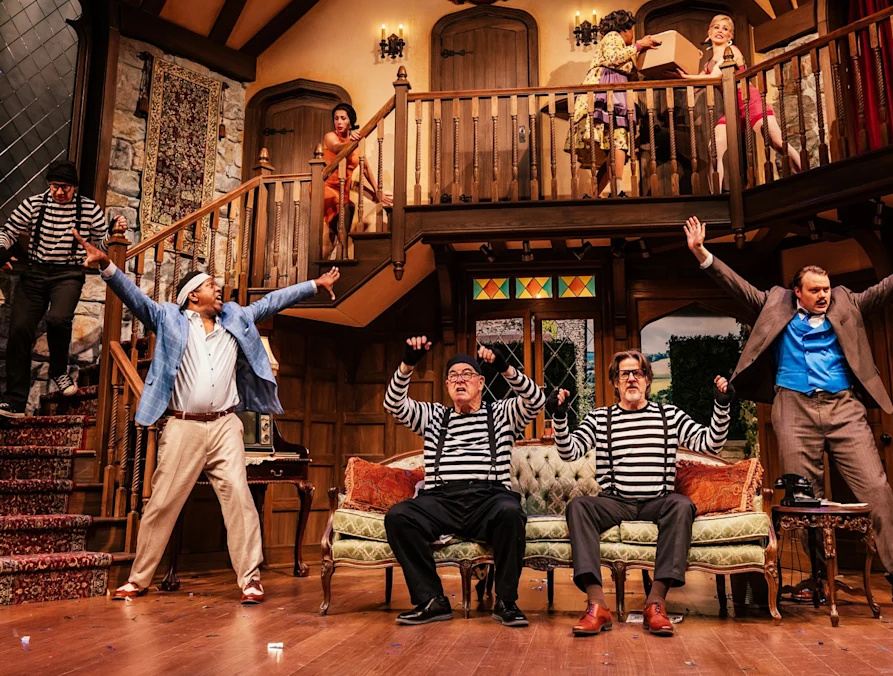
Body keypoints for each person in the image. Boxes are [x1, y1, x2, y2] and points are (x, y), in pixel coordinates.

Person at [684, 214, 893, 613]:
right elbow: (736, 285)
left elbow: (889, 285)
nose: (824, 295)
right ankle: (817, 578)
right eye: (815, 290)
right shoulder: (775, 303)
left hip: (844, 406)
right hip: (794, 406)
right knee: (804, 498)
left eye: (826, 289)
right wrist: (703, 253)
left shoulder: (848, 301)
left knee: (877, 491)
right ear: (797, 293)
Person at [72, 228, 340, 605]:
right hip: (183, 426)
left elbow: (274, 301)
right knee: (163, 502)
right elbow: (136, 301)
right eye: (212, 285)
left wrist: (314, 284)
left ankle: (250, 580)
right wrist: (108, 267)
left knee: (239, 499)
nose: (220, 290)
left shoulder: (237, 319)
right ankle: (138, 578)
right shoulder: (169, 318)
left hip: (226, 425)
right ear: (193, 295)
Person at [548, 350, 733, 637]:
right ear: (616, 382)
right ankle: (597, 605)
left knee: (682, 505)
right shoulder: (600, 417)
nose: (632, 378)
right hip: (615, 502)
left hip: (657, 501)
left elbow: (711, 444)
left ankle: (655, 603)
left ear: (648, 380)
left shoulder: (668, 414)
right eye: (625, 374)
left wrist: (721, 405)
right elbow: (569, 452)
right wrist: (560, 417)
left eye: (638, 373)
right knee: (579, 506)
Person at [383, 336, 546, 626]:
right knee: (398, 516)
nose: (460, 380)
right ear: (447, 386)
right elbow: (393, 403)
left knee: (510, 513)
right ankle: (432, 600)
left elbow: (536, 399)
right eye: (453, 376)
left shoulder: (501, 414)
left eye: (467, 374)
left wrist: (506, 368)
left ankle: (506, 601)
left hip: (489, 498)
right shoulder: (434, 416)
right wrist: (408, 363)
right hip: (441, 500)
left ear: (481, 383)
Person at [0, 160, 127, 418]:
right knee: (19, 330)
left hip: (68, 274)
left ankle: (59, 371)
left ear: (75, 188)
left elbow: (102, 242)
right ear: (48, 184)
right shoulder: (33, 204)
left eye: (66, 187)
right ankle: (15, 400)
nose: (59, 192)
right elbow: (8, 231)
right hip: (35, 273)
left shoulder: (88, 209)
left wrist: (114, 230)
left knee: (59, 318)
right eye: (55, 186)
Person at [678, 14, 802, 190]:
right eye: (716, 27)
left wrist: (686, 76)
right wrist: (693, 61)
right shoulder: (707, 64)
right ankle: (717, 198)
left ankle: (805, 175)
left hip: (750, 101)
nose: (720, 31)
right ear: (709, 32)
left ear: (730, 37)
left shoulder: (732, 51)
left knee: (777, 142)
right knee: (714, 149)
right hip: (732, 109)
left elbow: (714, 77)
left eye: (725, 29)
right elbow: (694, 86)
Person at [565, 10, 660, 197]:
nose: (633, 36)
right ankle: (615, 190)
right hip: (606, 91)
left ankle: (597, 193)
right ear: (624, 29)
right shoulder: (612, 36)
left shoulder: (627, 50)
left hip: (617, 91)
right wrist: (640, 45)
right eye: (632, 31)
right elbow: (613, 58)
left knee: (619, 141)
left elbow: (631, 72)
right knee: (619, 140)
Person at [321, 103, 392, 257]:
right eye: (336, 119)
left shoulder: (356, 144)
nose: (339, 122)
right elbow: (335, 147)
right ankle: (344, 255)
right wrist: (351, 142)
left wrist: (377, 192)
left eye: (343, 118)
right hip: (326, 187)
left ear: (350, 121)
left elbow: (365, 168)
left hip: (343, 190)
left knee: (333, 232)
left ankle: (333, 261)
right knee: (345, 210)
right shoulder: (331, 136)